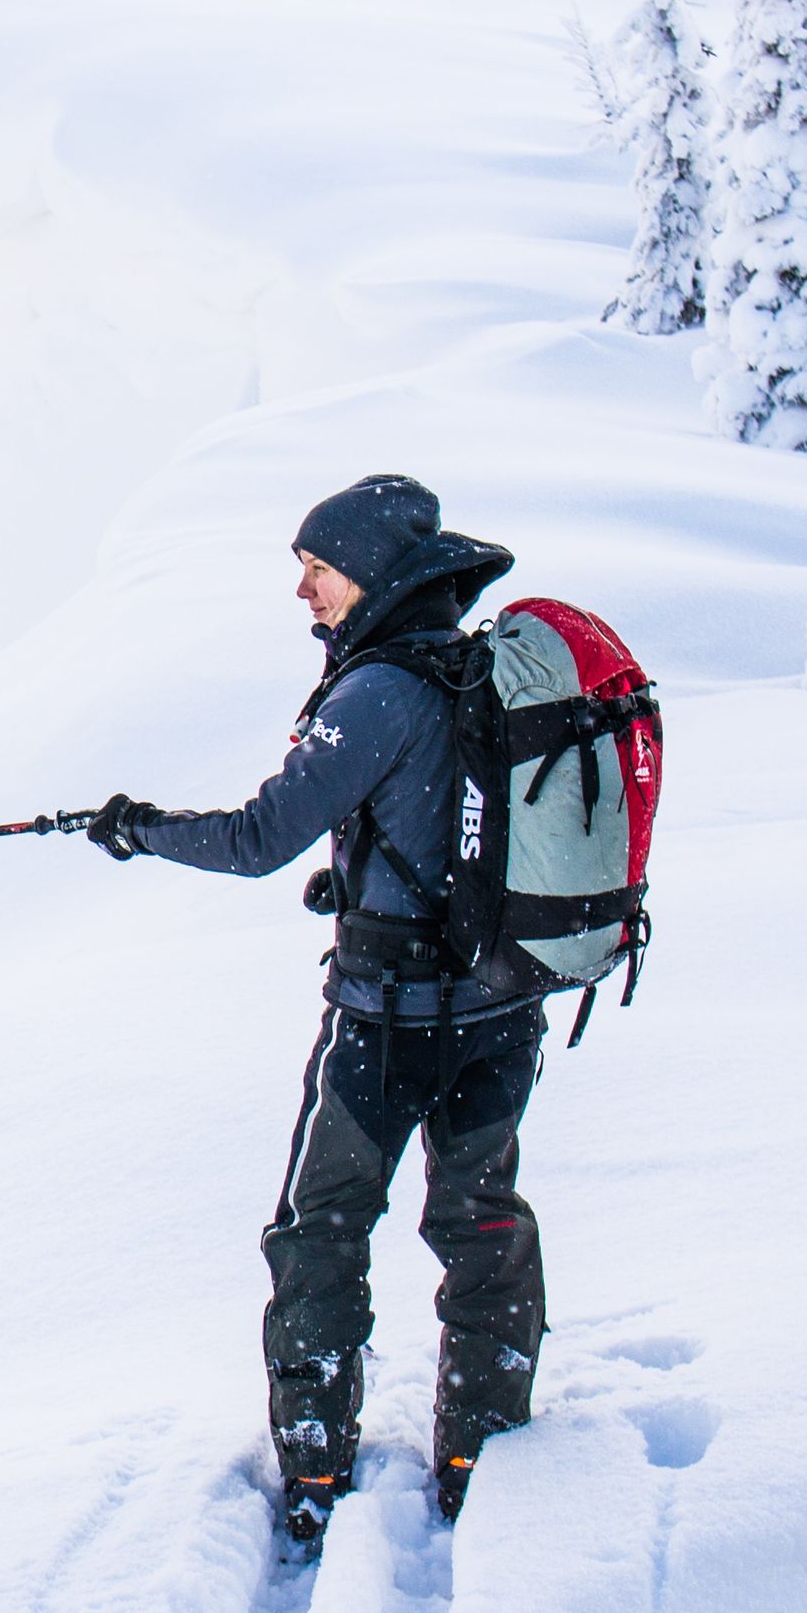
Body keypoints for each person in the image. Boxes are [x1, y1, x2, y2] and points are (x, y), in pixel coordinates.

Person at [85, 475, 545, 1551]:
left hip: (386, 1024)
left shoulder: (377, 693)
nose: (303, 591)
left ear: (373, 574)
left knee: (319, 1234)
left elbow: (257, 839)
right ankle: (482, 1451)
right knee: (479, 1223)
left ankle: (315, 1463)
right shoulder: (473, 669)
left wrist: (136, 829)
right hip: (499, 1010)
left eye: (319, 569)